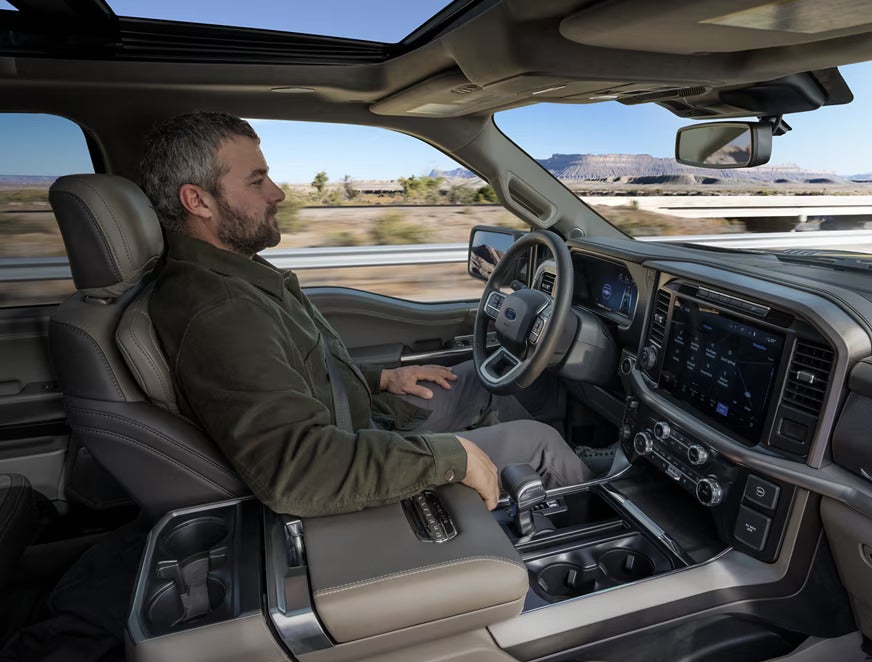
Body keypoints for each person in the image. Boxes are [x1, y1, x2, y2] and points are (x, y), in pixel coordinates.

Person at [142, 111, 593, 518]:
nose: (278, 193)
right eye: (257, 181)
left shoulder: (231, 272)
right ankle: (593, 532)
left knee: (481, 379)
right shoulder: (221, 311)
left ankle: (523, 496)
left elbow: (293, 370)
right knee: (542, 444)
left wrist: (380, 379)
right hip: (349, 455)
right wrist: (451, 458)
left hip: (361, 422)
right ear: (198, 201)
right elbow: (299, 470)